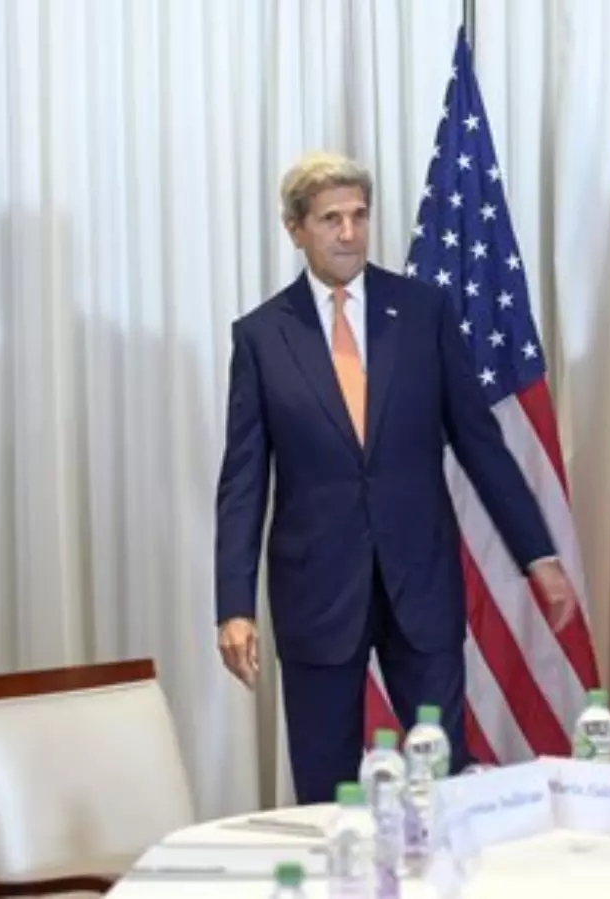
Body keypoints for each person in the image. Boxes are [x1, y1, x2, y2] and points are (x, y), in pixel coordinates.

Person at [213, 152, 579, 804]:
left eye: (358, 216)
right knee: (327, 789)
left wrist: (537, 553)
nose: (349, 232)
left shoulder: (422, 312)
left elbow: (480, 443)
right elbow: (243, 481)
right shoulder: (262, 336)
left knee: (441, 779)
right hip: (317, 594)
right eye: (330, 219)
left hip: (422, 584)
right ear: (295, 229)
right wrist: (234, 606)